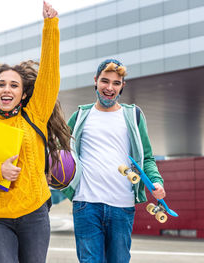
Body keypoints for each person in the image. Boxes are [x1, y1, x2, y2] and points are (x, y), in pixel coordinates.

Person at [0, 2, 69, 263]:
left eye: (13, 85)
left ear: (23, 93)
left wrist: (50, 26)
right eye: (1, 84)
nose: (6, 89)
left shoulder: (35, 116)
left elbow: (50, 75)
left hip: (34, 214)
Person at [61, 59, 166, 263]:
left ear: (122, 86)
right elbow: (58, 152)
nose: (109, 88)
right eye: (105, 81)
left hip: (122, 206)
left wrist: (156, 181)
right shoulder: (81, 115)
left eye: (116, 83)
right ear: (96, 81)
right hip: (86, 204)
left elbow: (148, 157)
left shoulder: (133, 115)